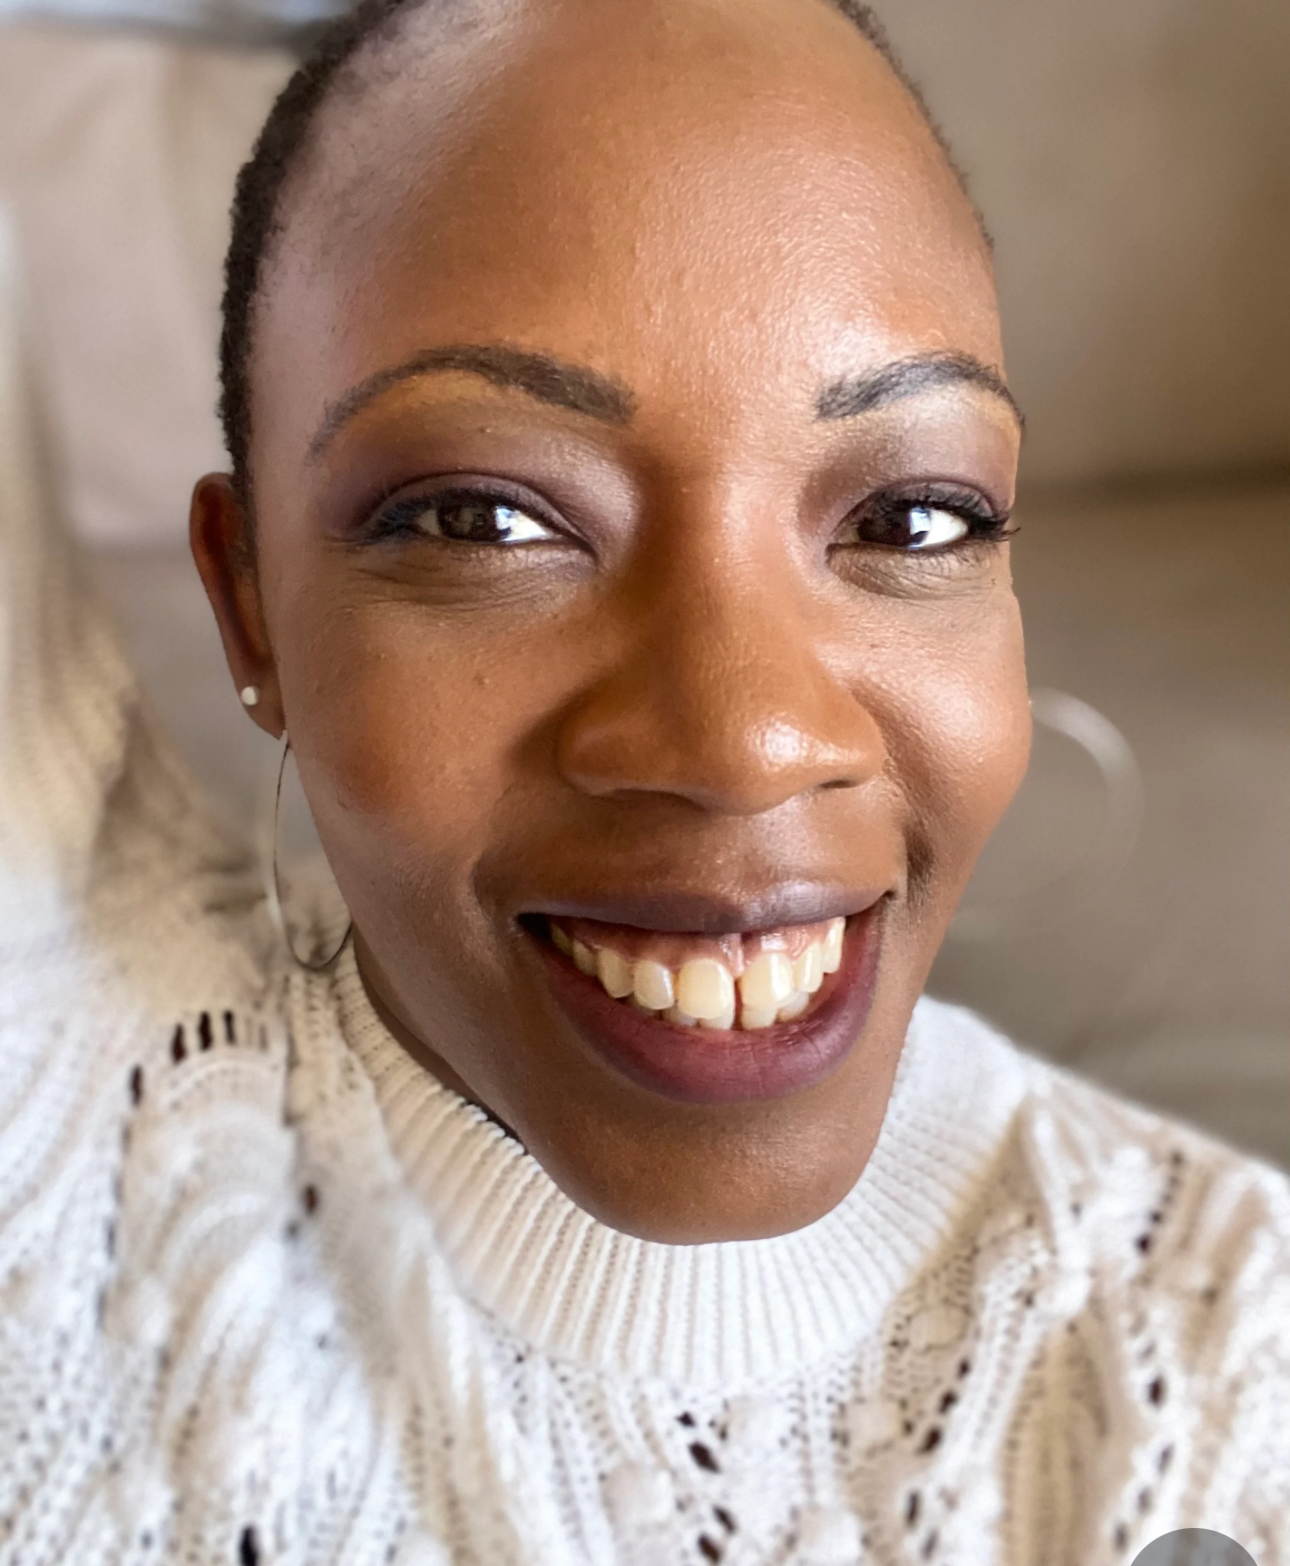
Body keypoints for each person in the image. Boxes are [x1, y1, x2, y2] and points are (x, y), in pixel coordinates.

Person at [0, 0, 1286, 1561]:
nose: (741, 744)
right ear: (250, 602)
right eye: (481, 519)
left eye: (912, 517)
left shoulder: (1229, 1350)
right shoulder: (59, 1144)